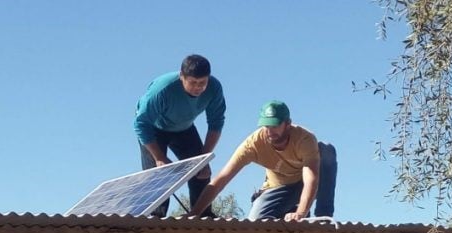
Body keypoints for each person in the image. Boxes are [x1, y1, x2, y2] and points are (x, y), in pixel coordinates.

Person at [189, 100, 335, 221]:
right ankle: (288, 210)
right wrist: (194, 214)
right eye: (266, 126)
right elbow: (221, 179)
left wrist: (301, 214)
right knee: (255, 221)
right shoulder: (253, 144)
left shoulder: (304, 139)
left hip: (306, 184)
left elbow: (311, 179)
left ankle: (323, 217)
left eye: (275, 126)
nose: (270, 132)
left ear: (288, 123)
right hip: (279, 187)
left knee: (326, 150)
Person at [133, 54, 226, 217]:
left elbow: (216, 124)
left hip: (184, 128)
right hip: (154, 129)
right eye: (193, 83)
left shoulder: (214, 88)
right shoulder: (162, 90)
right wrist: (159, 157)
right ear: (182, 77)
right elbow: (141, 124)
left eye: (202, 83)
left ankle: (202, 215)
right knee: (159, 175)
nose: (198, 87)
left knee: (201, 170)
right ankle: (156, 217)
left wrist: (204, 158)